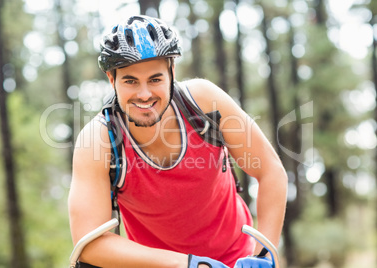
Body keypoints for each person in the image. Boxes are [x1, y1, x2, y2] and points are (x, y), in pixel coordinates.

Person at [68, 15, 287, 268]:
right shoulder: (98, 140)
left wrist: (263, 256)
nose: (144, 94)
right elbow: (88, 244)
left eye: (155, 79)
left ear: (172, 72)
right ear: (111, 79)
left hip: (235, 259)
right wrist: (191, 264)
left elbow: (270, 171)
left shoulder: (204, 104)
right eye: (130, 81)